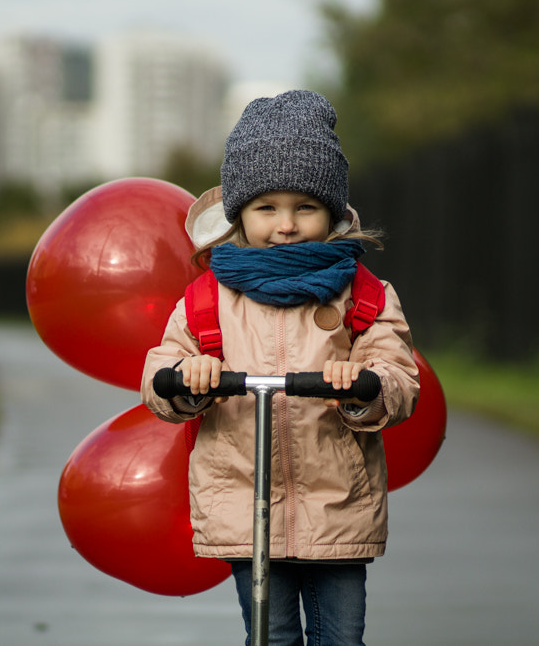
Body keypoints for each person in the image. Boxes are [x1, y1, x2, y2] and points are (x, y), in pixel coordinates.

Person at [141, 89, 420, 646]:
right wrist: (188, 379)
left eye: (305, 208)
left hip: (336, 499)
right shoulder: (207, 300)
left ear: (333, 212)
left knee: (341, 639)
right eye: (267, 208)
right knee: (272, 637)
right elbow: (159, 373)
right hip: (246, 503)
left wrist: (363, 385)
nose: (286, 225)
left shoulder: (361, 293)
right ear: (240, 212)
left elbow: (397, 373)